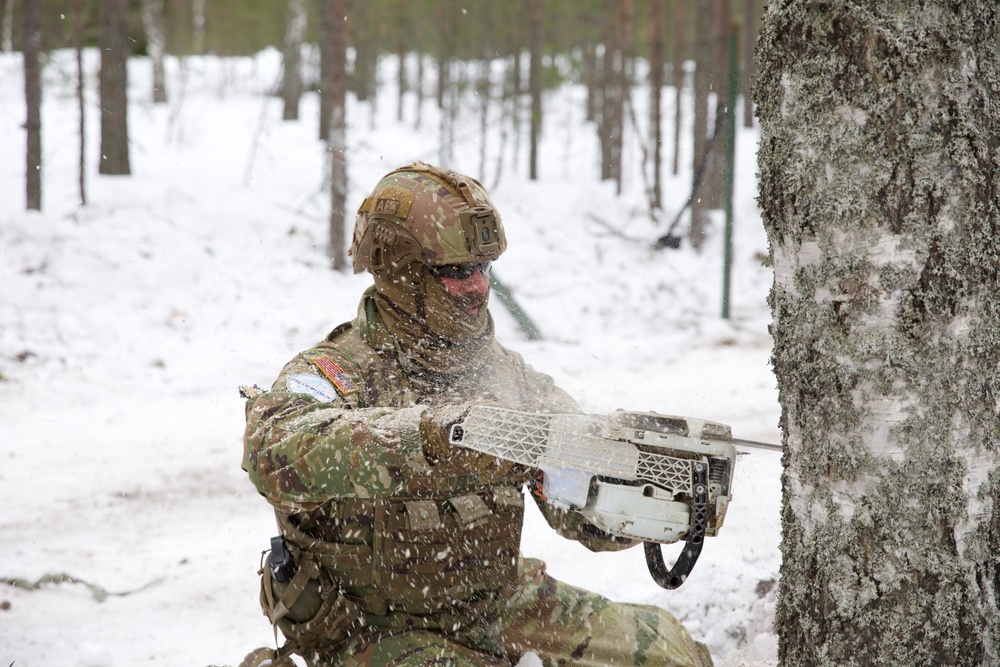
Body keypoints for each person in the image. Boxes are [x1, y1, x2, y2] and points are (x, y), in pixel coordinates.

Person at [240, 162, 713, 667]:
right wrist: (433, 439)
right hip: (375, 628)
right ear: (402, 274)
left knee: (671, 653)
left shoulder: (503, 374)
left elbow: (572, 494)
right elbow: (272, 451)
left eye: (484, 268)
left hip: (495, 602)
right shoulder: (338, 371)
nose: (479, 287)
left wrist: (648, 495)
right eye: (457, 271)